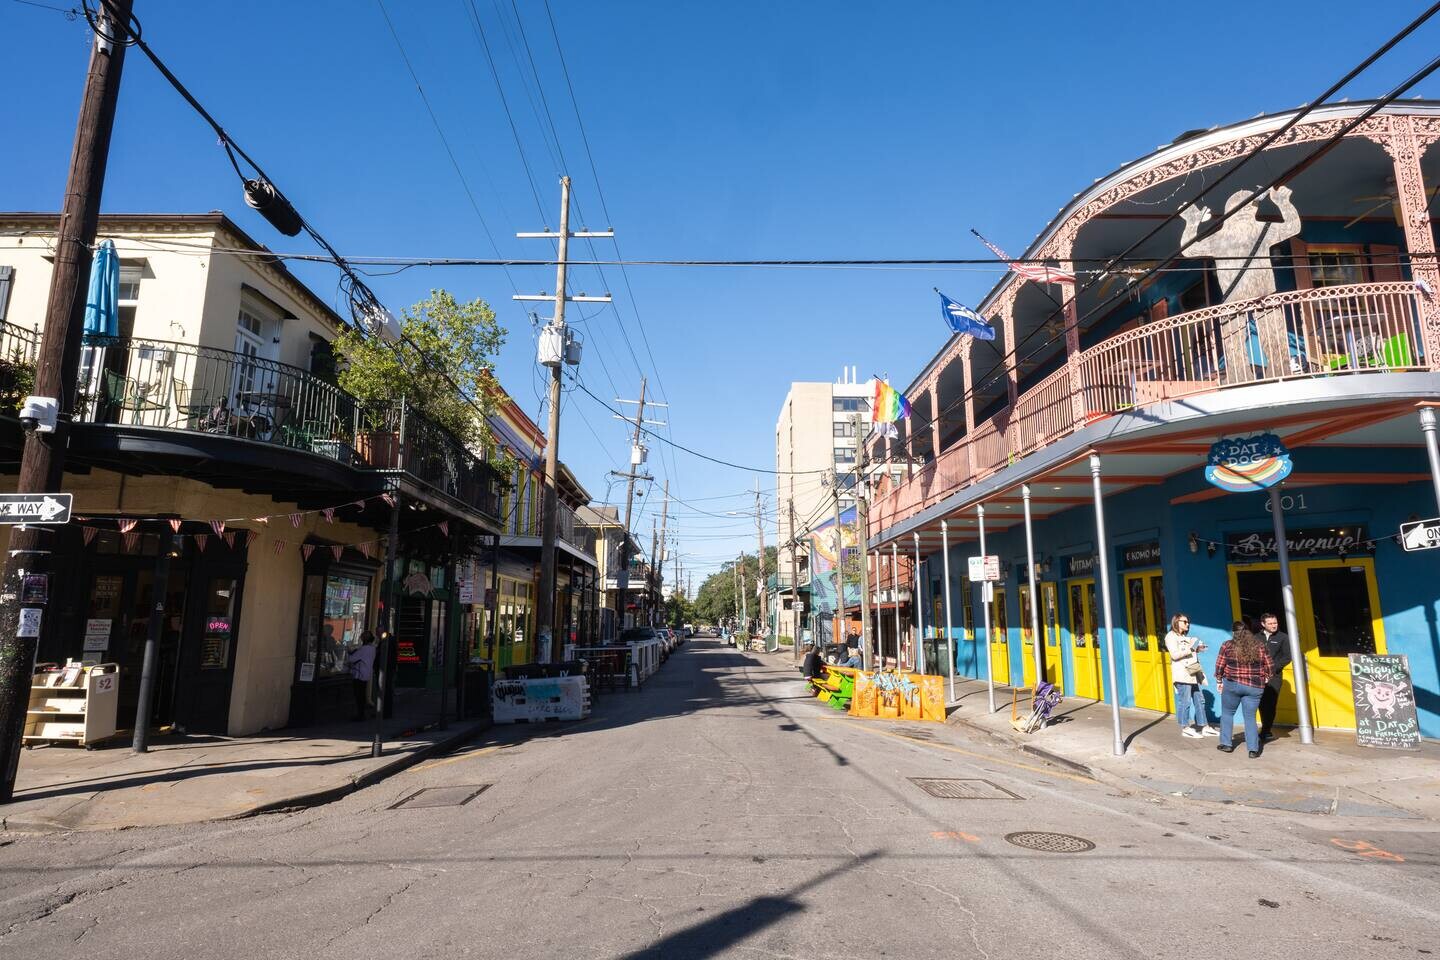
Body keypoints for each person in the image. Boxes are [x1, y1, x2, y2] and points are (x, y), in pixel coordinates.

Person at [1213, 621, 1274, 757]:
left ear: (1234, 633)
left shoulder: (1227, 645)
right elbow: (1270, 666)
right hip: (1254, 687)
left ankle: (1226, 744)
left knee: (1227, 713)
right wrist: (1266, 678)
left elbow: (1219, 666)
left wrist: (1218, 681)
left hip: (1232, 684)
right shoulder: (1260, 645)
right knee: (1250, 717)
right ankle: (1253, 750)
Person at [1164, 612, 1216, 738]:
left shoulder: (1184, 636)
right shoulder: (1170, 636)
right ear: (1176, 622)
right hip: (1182, 673)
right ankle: (1185, 727)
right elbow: (1175, 655)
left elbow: (1188, 653)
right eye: (1184, 622)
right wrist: (1192, 649)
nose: (1187, 624)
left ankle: (1204, 726)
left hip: (1192, 672)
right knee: (1185, 701)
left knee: (1199, 699)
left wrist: (1198, 648)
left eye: (1188, 622)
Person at [1256, 612, 1292, 742]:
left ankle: (1266, 730)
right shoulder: (1256, 637)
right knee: (1260, 702)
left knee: (1270, 703)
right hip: (1258, 676)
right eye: (1270, 623)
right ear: (1263, 624)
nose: (1273, 625)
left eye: (1275, 623)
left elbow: (1287, 657)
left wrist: (1273, 668)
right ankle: (1265, 728)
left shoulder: (1283, 637)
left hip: (1274, 676)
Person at [345, 630, 377, 721]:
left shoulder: (364, 649)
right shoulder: (372, 648)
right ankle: (361, 713)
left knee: (359, 695)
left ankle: (360, 715)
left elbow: (352, 659)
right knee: (362, 694)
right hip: (366, 674)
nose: (361, 638)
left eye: (362, 637)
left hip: (359, 674)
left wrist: (349, 652)